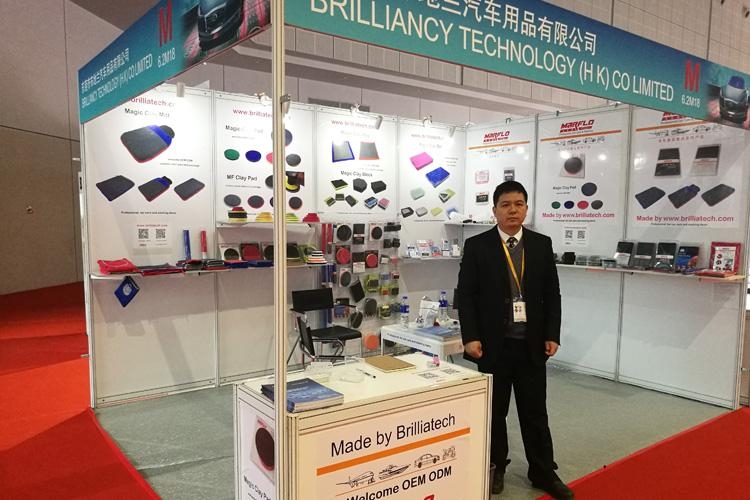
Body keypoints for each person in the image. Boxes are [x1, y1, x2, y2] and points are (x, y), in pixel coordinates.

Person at [456, 181, 573, 499]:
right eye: (506, 205)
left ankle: (543, 472)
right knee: (495, 413)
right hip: (493, 345)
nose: (513, 210)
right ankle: (496, 466)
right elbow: (466, 295)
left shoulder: (541, 244)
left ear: (526, 208)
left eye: (519, 204)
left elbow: (552, 294)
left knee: (535, 412)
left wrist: (552, 334)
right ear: (494, 210)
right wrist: (470, 337)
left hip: (531, 345)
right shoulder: (478, 246)